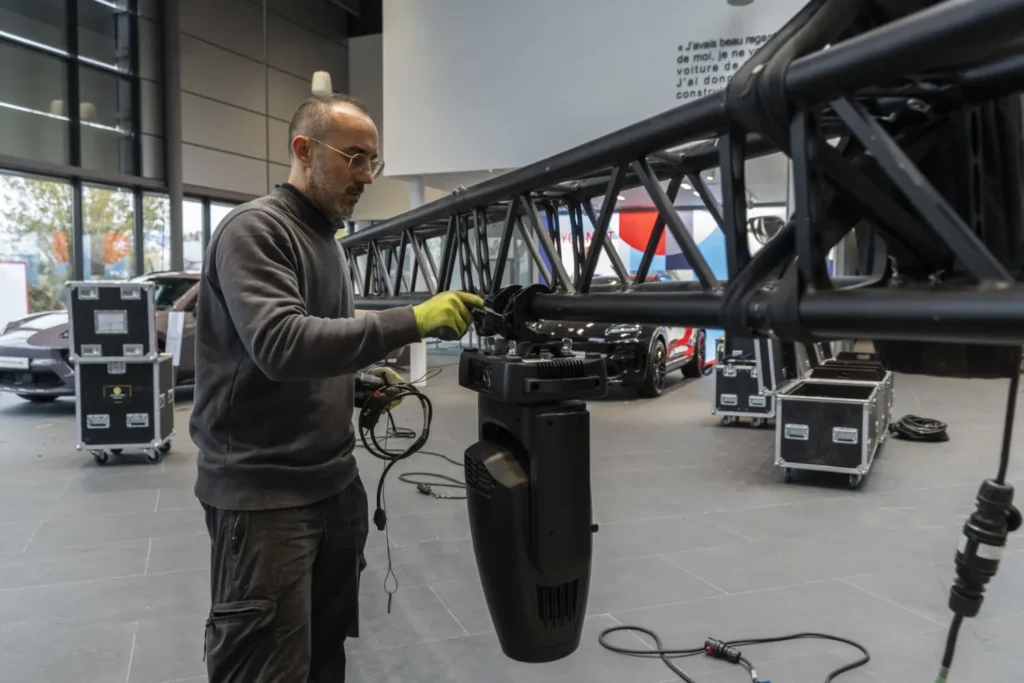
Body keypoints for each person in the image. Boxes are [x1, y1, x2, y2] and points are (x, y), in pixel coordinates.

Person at [189, 93, 482, 682]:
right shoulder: (255, 229)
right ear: (304, 150)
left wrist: (355, 382)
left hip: (331, 488)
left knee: (324, 661)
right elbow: (280, 343)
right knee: (267, 668)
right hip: (266, 500)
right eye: (354, 157)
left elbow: (314, 344)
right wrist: (412, 319)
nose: (367, 175)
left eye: (373, 160)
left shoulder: (325, 240)